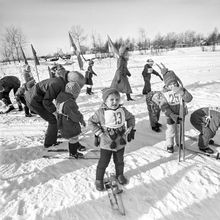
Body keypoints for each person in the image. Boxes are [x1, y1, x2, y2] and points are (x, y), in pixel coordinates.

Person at [88, 87, 135, 191]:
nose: (115, 102)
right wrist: (99, 133)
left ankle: (120, 175)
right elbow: (91, 122)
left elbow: (131, 117)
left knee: (119, 161)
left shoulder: (122, 110)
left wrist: (130, 127)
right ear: (105, 101)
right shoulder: (101, 112)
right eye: (111, 100)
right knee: (103, 162)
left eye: (117, 99)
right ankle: (99, 179)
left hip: (120, 141)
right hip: (106, 142)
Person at [25, 69, 85, 148]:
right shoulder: (57, 84)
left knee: (58, 117)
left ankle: (58, 132)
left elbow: (60, 99)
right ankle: (49, 143)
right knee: (53, 120)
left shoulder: (64, 83)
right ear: (72, 81)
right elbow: (46, 101)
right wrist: (55, 111)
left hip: (39, 98)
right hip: (34, 101)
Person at [150, 68, 193, 153]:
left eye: (174, 83)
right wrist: (171, 114)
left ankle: (179, 142)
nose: (173, 86)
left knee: (180, 129)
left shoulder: (181, 89)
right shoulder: (164, 94)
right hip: (171, 116)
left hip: (181, 114)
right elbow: (164, 106)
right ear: (166, 85)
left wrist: (183, 93)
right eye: (170, 84)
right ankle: (169, 144)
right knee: (171, 130)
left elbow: (189, 99)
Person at [56, 81, 87, 158]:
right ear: (74, 93)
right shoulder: (70, 102)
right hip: (69, 122)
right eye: (77, 93)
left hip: (63, 120)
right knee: (73, 137)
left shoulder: (61, 97)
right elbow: (75, 115)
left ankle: (76, 145)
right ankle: (73, 153)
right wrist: (81, 119)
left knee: (73, 136)